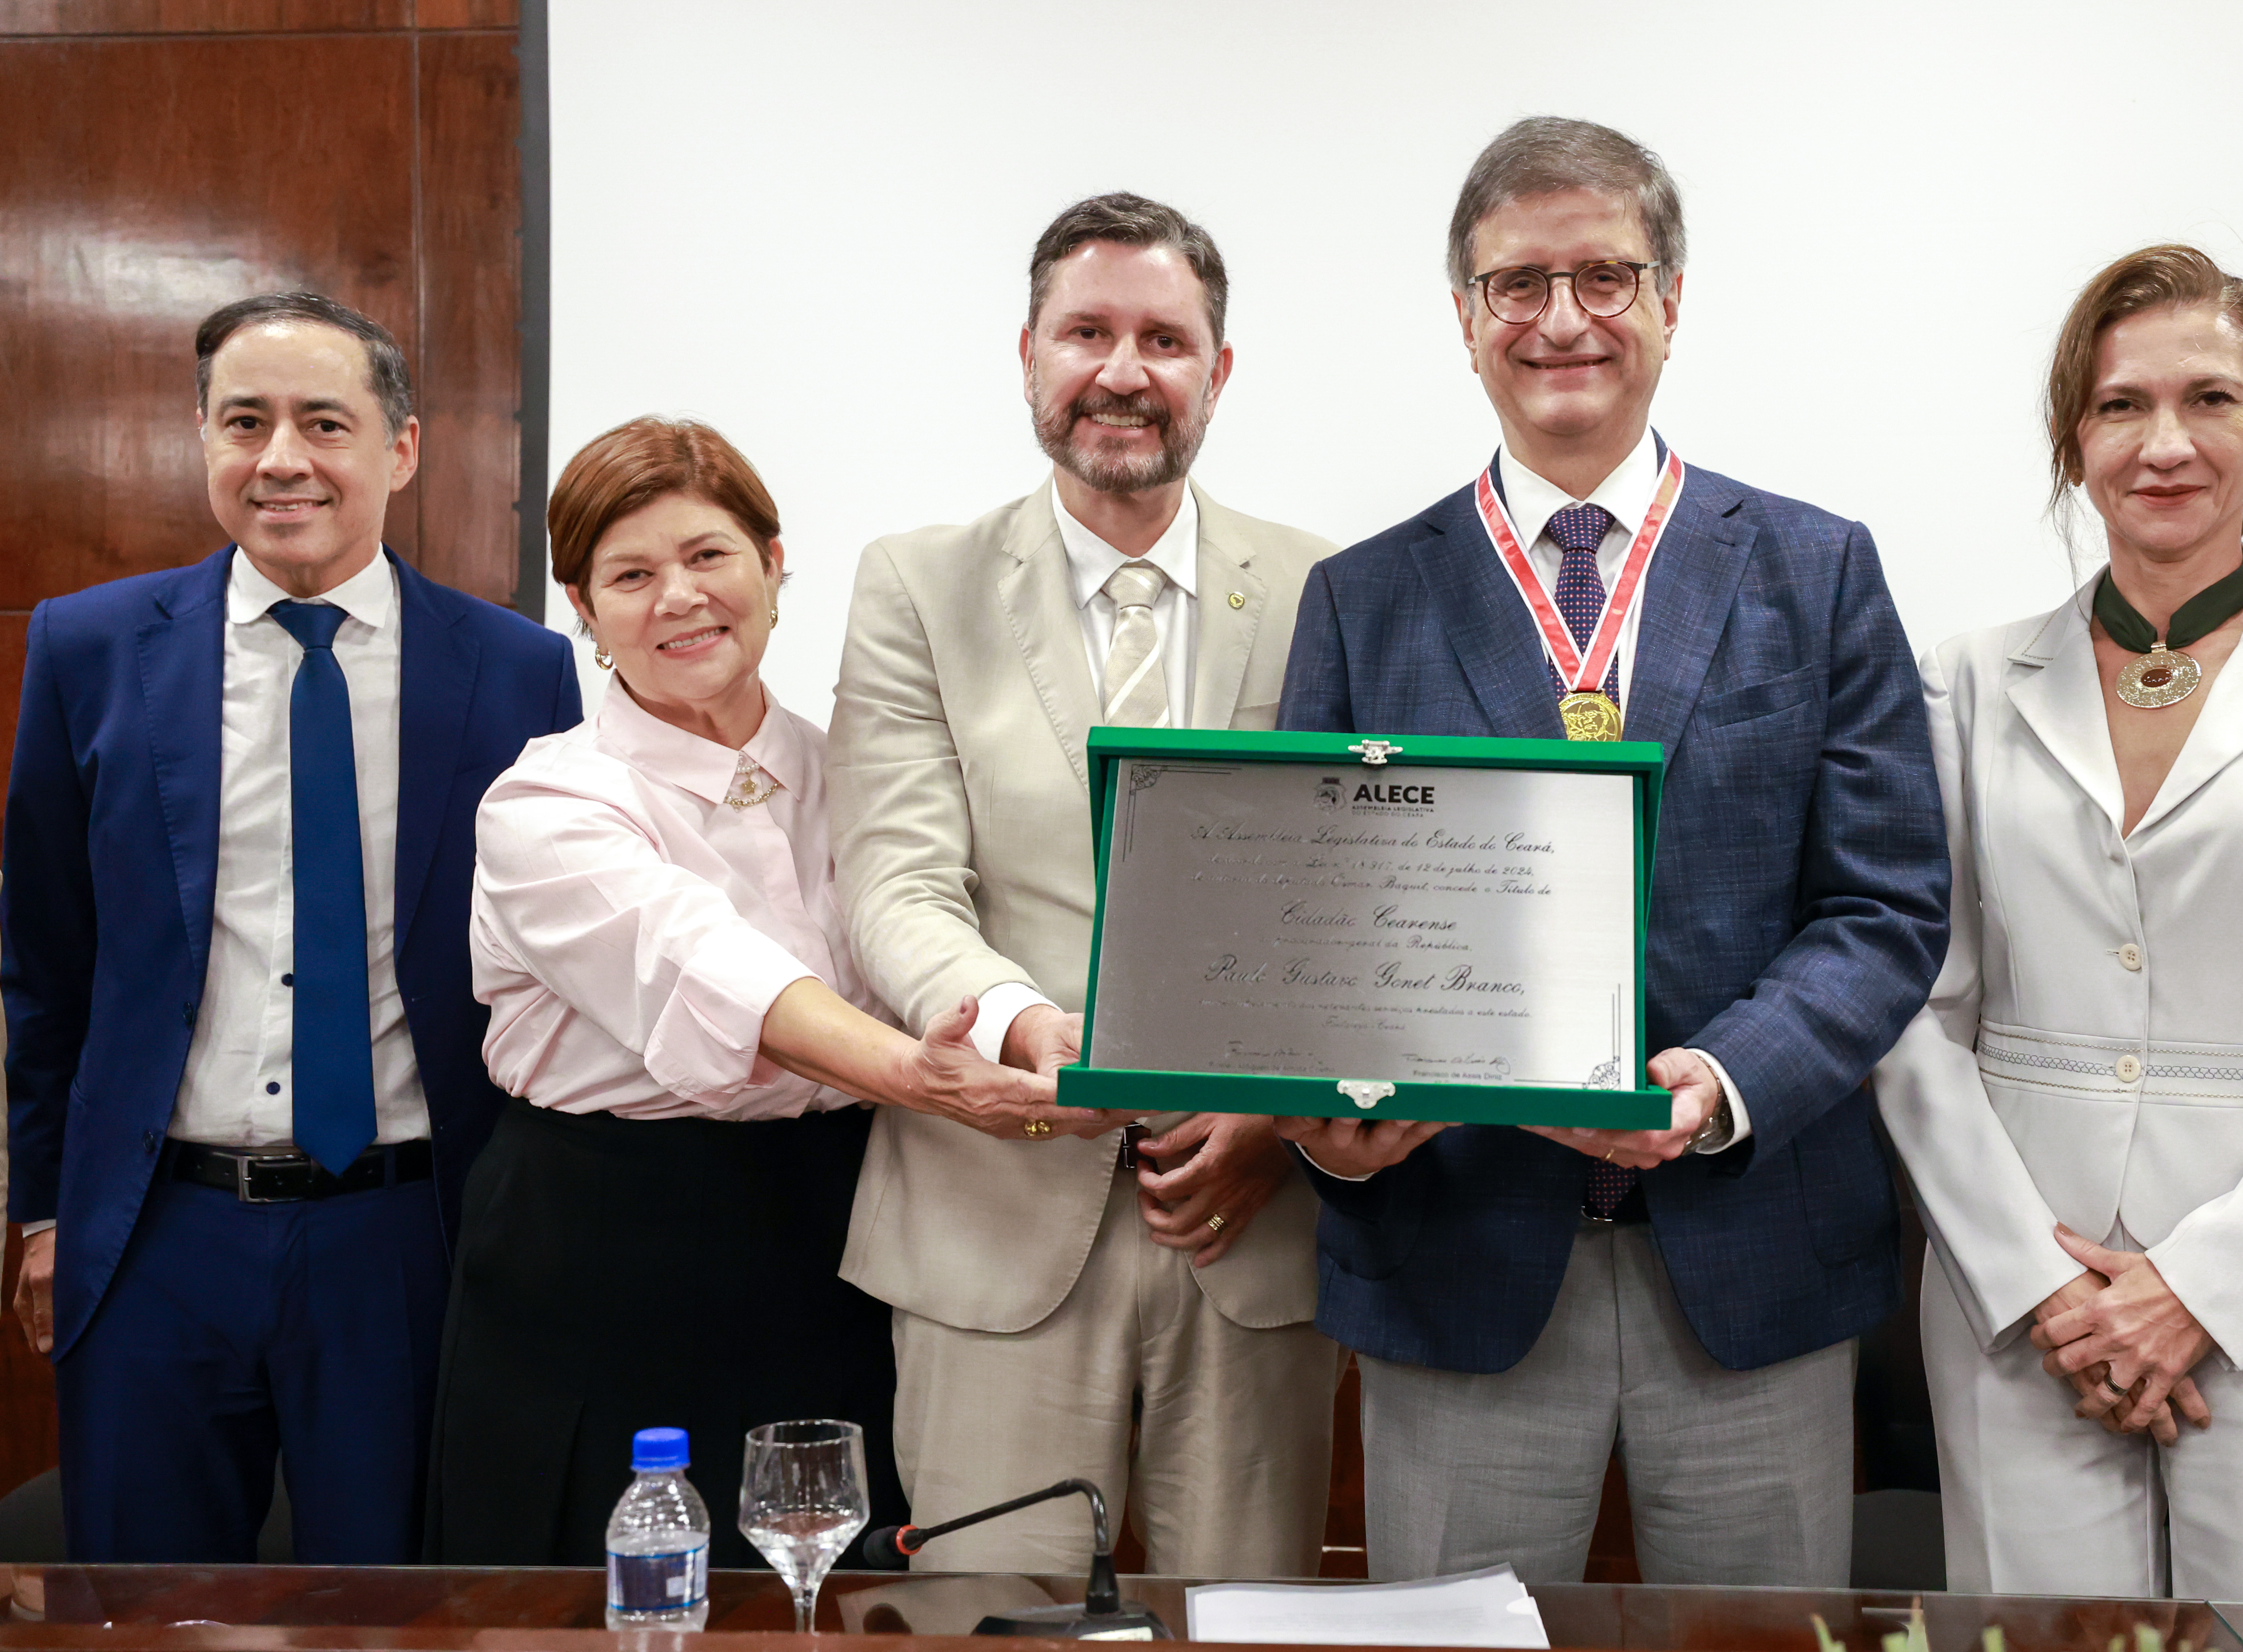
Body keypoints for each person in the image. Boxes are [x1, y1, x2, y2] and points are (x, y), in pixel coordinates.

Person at [1274, 117, 1950, 1587]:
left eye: (1604, 276)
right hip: (1457, 1256)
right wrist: (1329, 1125)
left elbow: (1886, 906)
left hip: (1752, 1252)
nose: (1561, 319)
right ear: (1465, 319)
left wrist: (1716, 1084)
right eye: (1517, 284)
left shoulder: (1818, 568)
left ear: (1671, 300)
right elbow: (1318, 936)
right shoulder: (1361, 600)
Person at [1872, 245, 2243, 1605]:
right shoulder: (1962, 683)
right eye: (2119, 405)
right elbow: (1915, 1010)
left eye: (2209, 399)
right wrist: (2042, 1288)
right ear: (2070, 438)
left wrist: (2200, 1287)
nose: (2164, 444)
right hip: (2024, 1303)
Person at [427, 417, 1070, 1566]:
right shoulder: (546, 801)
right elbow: (708, 964)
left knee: (838, 1581)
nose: (679, 597)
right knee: (601, 1594)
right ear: (581, 607)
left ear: (774, 564)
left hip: (838, 1230)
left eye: (708, 555)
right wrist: (919, 1077)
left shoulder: (857, 772)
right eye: (631, 574)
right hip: (601, 1240)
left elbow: (939, 941)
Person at [0, 293, 581, 1561]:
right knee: (140, 1612)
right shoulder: (90, 647)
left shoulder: (516, 670)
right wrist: (41, 1212)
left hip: (403, 1233)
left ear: (401, 449)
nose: (281, 460)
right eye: (244, 422)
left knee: (403, 1612)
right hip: (157, 1228)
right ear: (202, 438)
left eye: (324, 422)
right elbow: (44, 959)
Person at [824, 193, 1340, 1576]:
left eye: (1164, 339)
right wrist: (1016, 1024)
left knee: (1250, 1621)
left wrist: (1272, 1115)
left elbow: (1353, 904)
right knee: (992, 1622)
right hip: (992, 1212)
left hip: (1249, 1217)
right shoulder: (916, 585)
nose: (1123, 370)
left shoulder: (1327, 588)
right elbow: (896, 881)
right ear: (1028, 355)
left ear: (1218, 371)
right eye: (1086, 332)